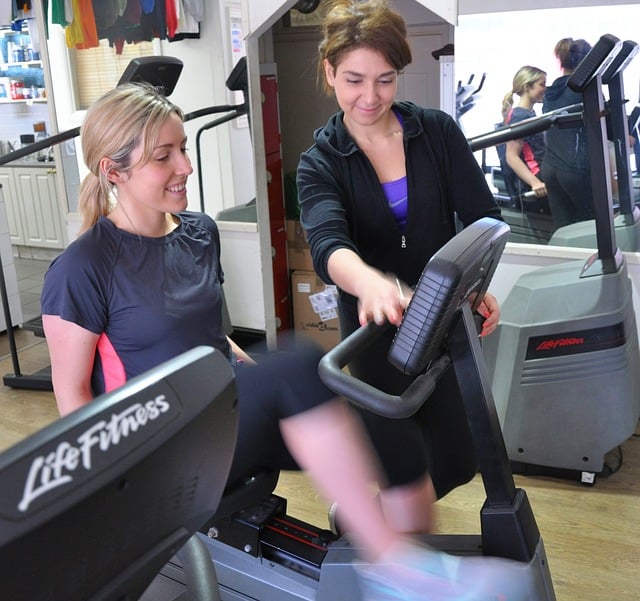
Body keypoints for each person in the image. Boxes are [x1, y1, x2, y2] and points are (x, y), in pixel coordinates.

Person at [40, 81, 526, 601]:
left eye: (183, 148)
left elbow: (211, 337)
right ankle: (393, 569)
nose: (185, 165)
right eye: (165, 156)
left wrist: (272, 388)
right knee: (294, 364)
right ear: (114, 172)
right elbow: (74, 403)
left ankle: (409, 562)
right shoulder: (81, 268)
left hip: (217, 419)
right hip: (154, 455)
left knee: (387, 416)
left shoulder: (199, 232)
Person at [296, 0, 502, 541]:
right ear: (329, 73)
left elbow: (484, 217)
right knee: (398, 471)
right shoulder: (321, 163)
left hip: (444, 324)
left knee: (458, 461)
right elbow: (327, 243)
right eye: (354, 80)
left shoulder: (435, 133)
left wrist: (479, 286)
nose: (370, 97)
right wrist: (370, 283)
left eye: (384, 80)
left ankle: (366, 527)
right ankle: (382, 544)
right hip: (376, 335)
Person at [541, 38, 594, 229]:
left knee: (563, 226)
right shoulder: (587, 89)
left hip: (551, 168)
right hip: (575, 169)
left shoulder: (552, 89)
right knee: (592, 226)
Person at [500, 65, 547, 199]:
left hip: (543, 168)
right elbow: (511, 156)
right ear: (527, 87)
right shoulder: (520, 116)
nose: (545, 89)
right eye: (542, 84)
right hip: (537, 173)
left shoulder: (528, 113)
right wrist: (536, 183)